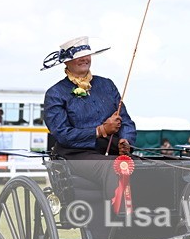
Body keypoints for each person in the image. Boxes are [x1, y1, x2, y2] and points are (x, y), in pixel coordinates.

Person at [43, 36, 136, 200]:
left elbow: (126, 121)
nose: (85, 59)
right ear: (66, 62)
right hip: (75, 154)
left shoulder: (107, 85)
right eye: (78, 57)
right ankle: (119, 220)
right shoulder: (55, 93)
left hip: (111, 150)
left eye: (87, 55)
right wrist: (100, 131)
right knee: (113, 167)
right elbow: (63, 134)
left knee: (149, 165)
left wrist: (126, 141)